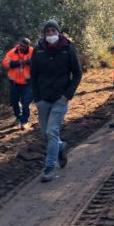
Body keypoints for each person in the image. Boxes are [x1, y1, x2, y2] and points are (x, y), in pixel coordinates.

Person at [30, 19, 83, 183]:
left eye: (53, 31)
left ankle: (49, 167)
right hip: (43, 99)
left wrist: (67, 95)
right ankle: (60, 146)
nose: (50, 34)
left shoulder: (67, 48)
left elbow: (77, 73)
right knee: (46, 134)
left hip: (61, 98)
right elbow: (33, 75)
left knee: (52, 132)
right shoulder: (38, 50)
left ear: (58, 32)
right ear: (44, 34)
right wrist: (37, 97)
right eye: (47, 32)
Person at [1, 38, 34, 130]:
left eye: (24, 46)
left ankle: (24, 121)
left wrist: (29, 62)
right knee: (14, 102)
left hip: (27, 82)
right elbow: (5, 63)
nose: (21, 48)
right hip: (14, 82)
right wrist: (17, 63)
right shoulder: (13, 52)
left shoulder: (32, 51)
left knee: (25, 102)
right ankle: (18, 117)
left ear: (28, 46)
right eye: (20, 45)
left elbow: (38, 61)